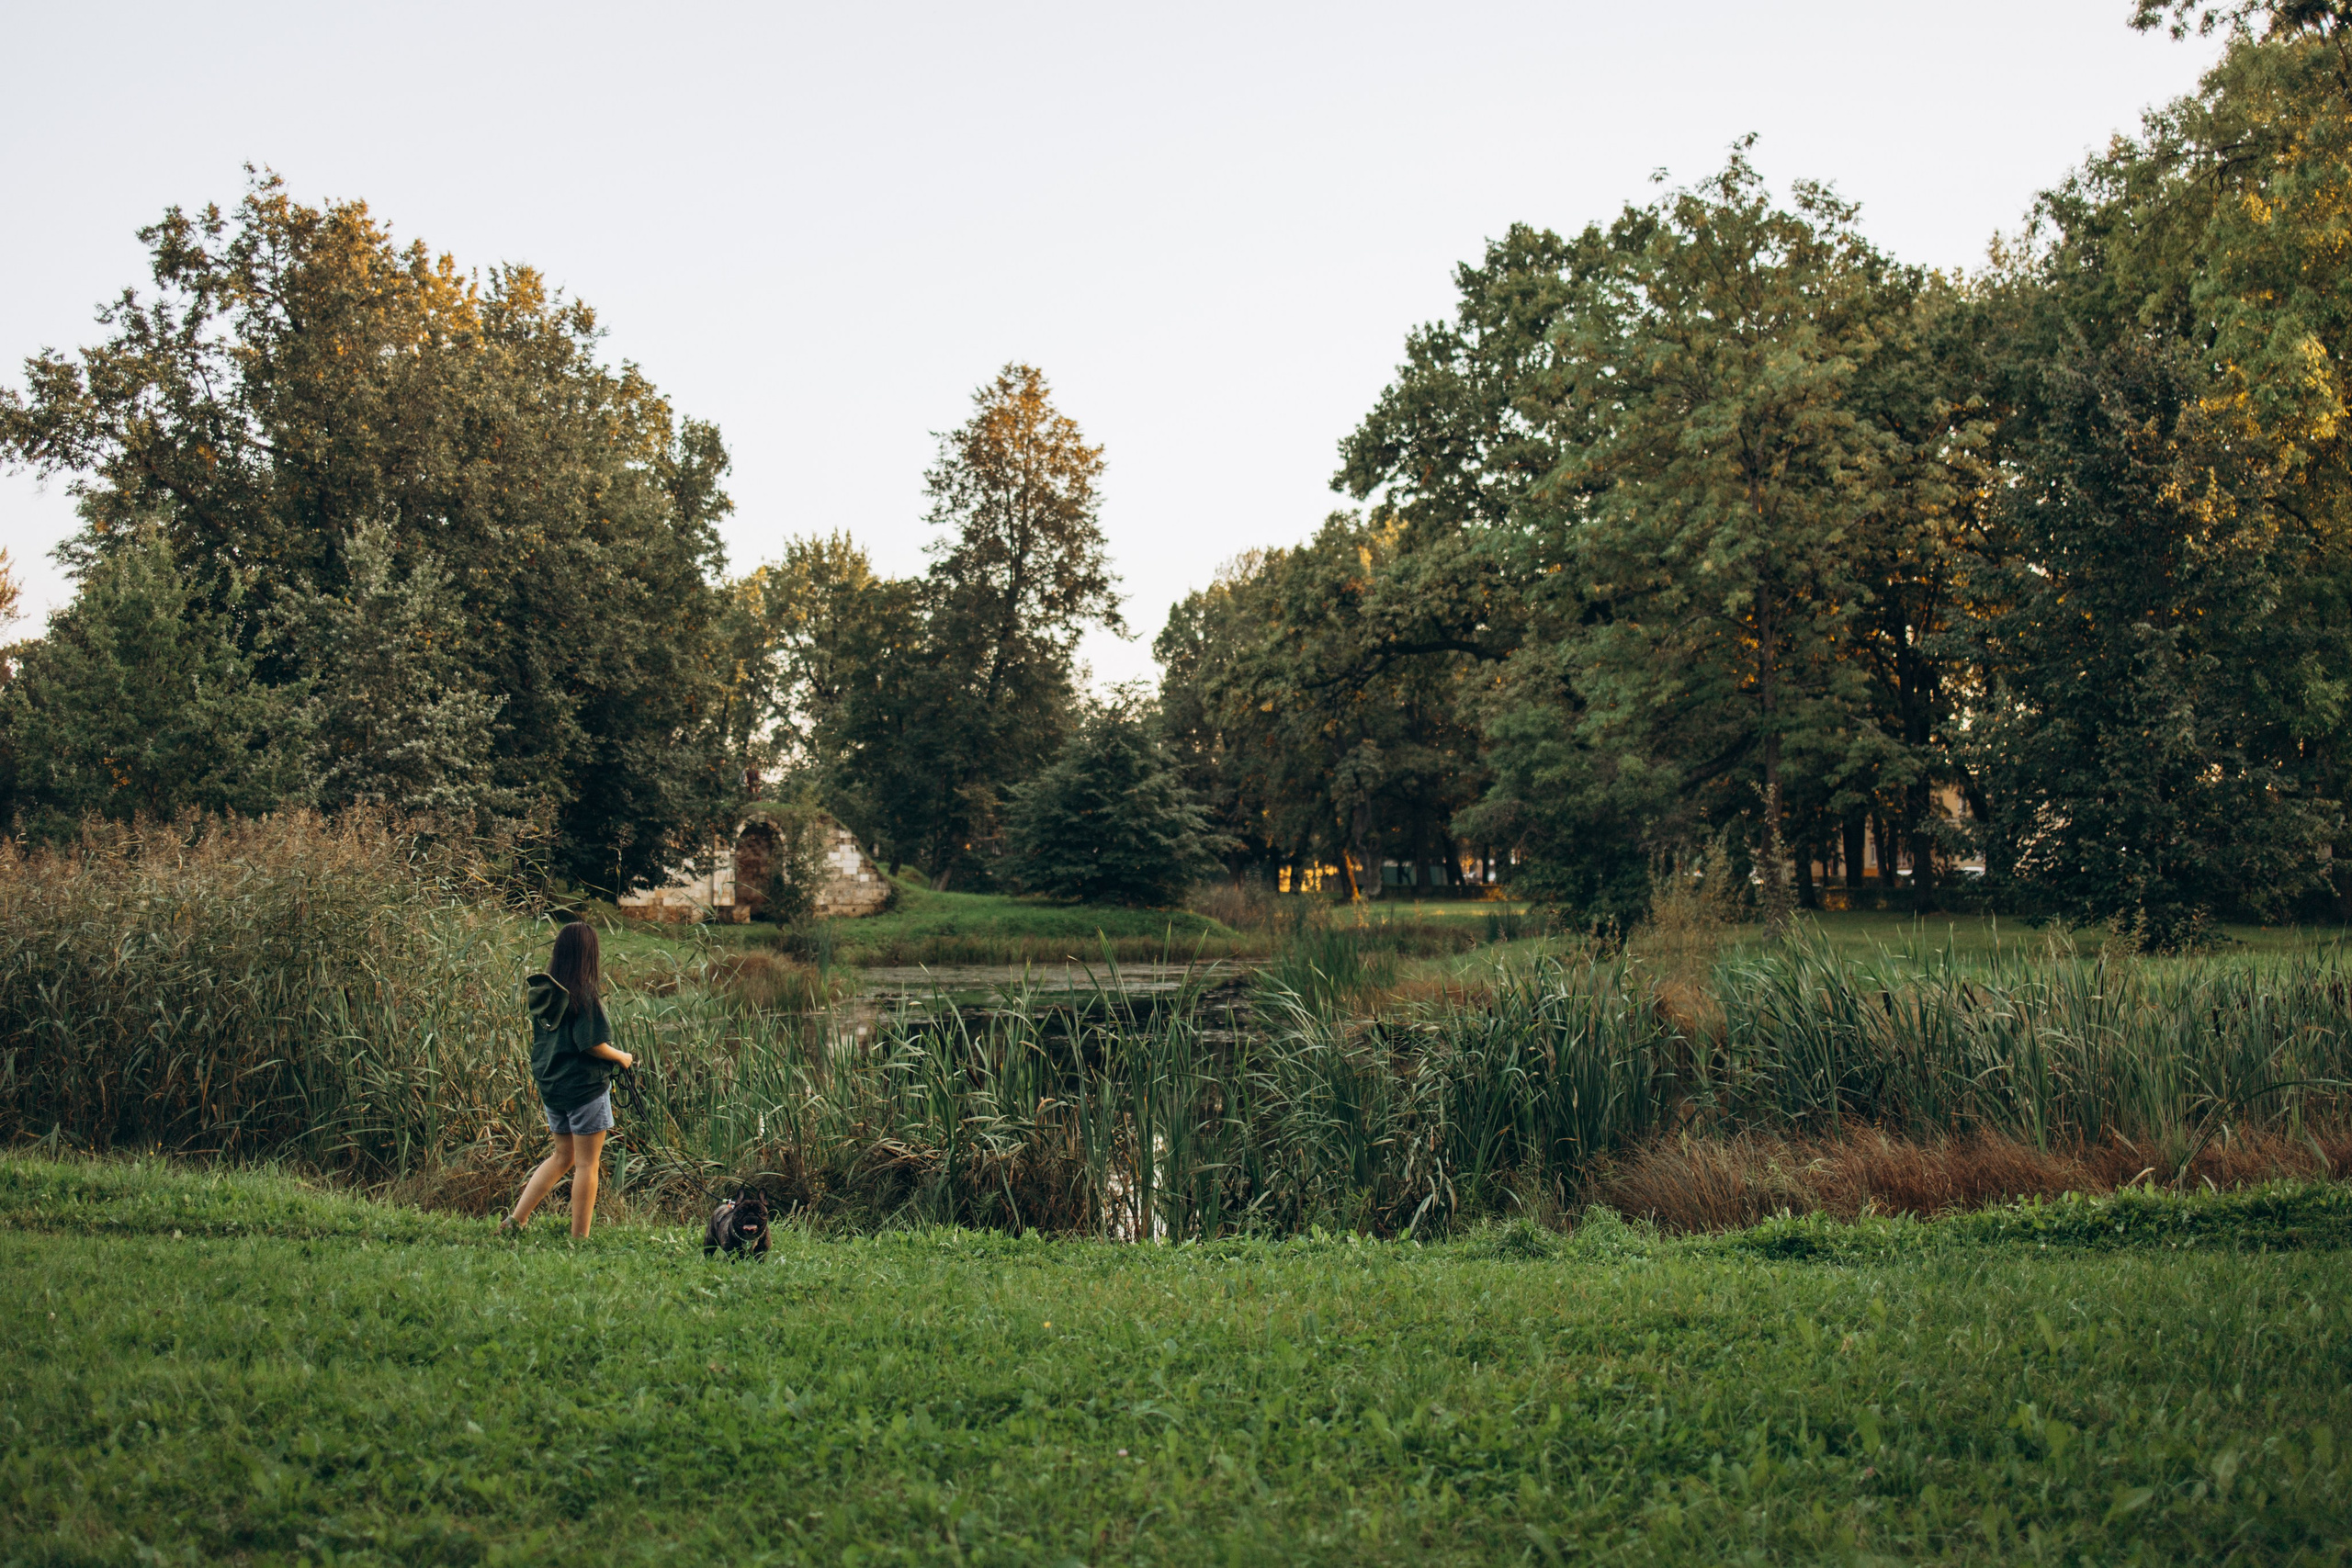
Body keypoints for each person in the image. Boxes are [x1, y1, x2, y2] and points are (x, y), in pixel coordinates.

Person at [501, 920, 634, 1238]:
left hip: (553, 1087)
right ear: (589, 954)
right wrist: (623, 1057)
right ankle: (580, 1239)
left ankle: (515, 1222)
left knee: (563, 1156)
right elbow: (592, 1045)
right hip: (584, 1089)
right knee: (588, 1164)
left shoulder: (547, 994)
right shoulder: (583, 995)